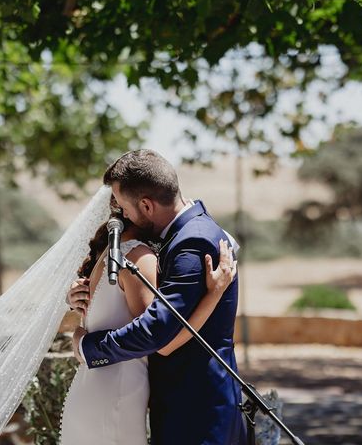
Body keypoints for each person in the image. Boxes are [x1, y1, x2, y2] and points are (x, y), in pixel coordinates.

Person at [72, 149, 247, 445]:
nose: (122, 214)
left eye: (125, 207)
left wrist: (89, 348)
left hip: (197, 403)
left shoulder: (193, 241)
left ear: (146, 205)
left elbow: (159, 331)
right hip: (182, 401)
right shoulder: (184, 233)